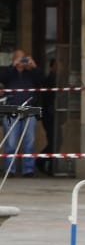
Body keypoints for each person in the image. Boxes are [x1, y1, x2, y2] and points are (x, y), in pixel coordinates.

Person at [0, 48, 44, 177]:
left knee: (29, 141)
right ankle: (10, 170)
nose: (21, 61)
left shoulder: (31, 73)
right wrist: (12, 66)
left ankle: (28, 170)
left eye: (23, 58)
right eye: (19, 58)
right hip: (11, 108)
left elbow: (41, 80)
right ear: (13, 59)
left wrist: (34, 67)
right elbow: (2, 77)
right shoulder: (9, 72)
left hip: (29, 109)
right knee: (11, 142)